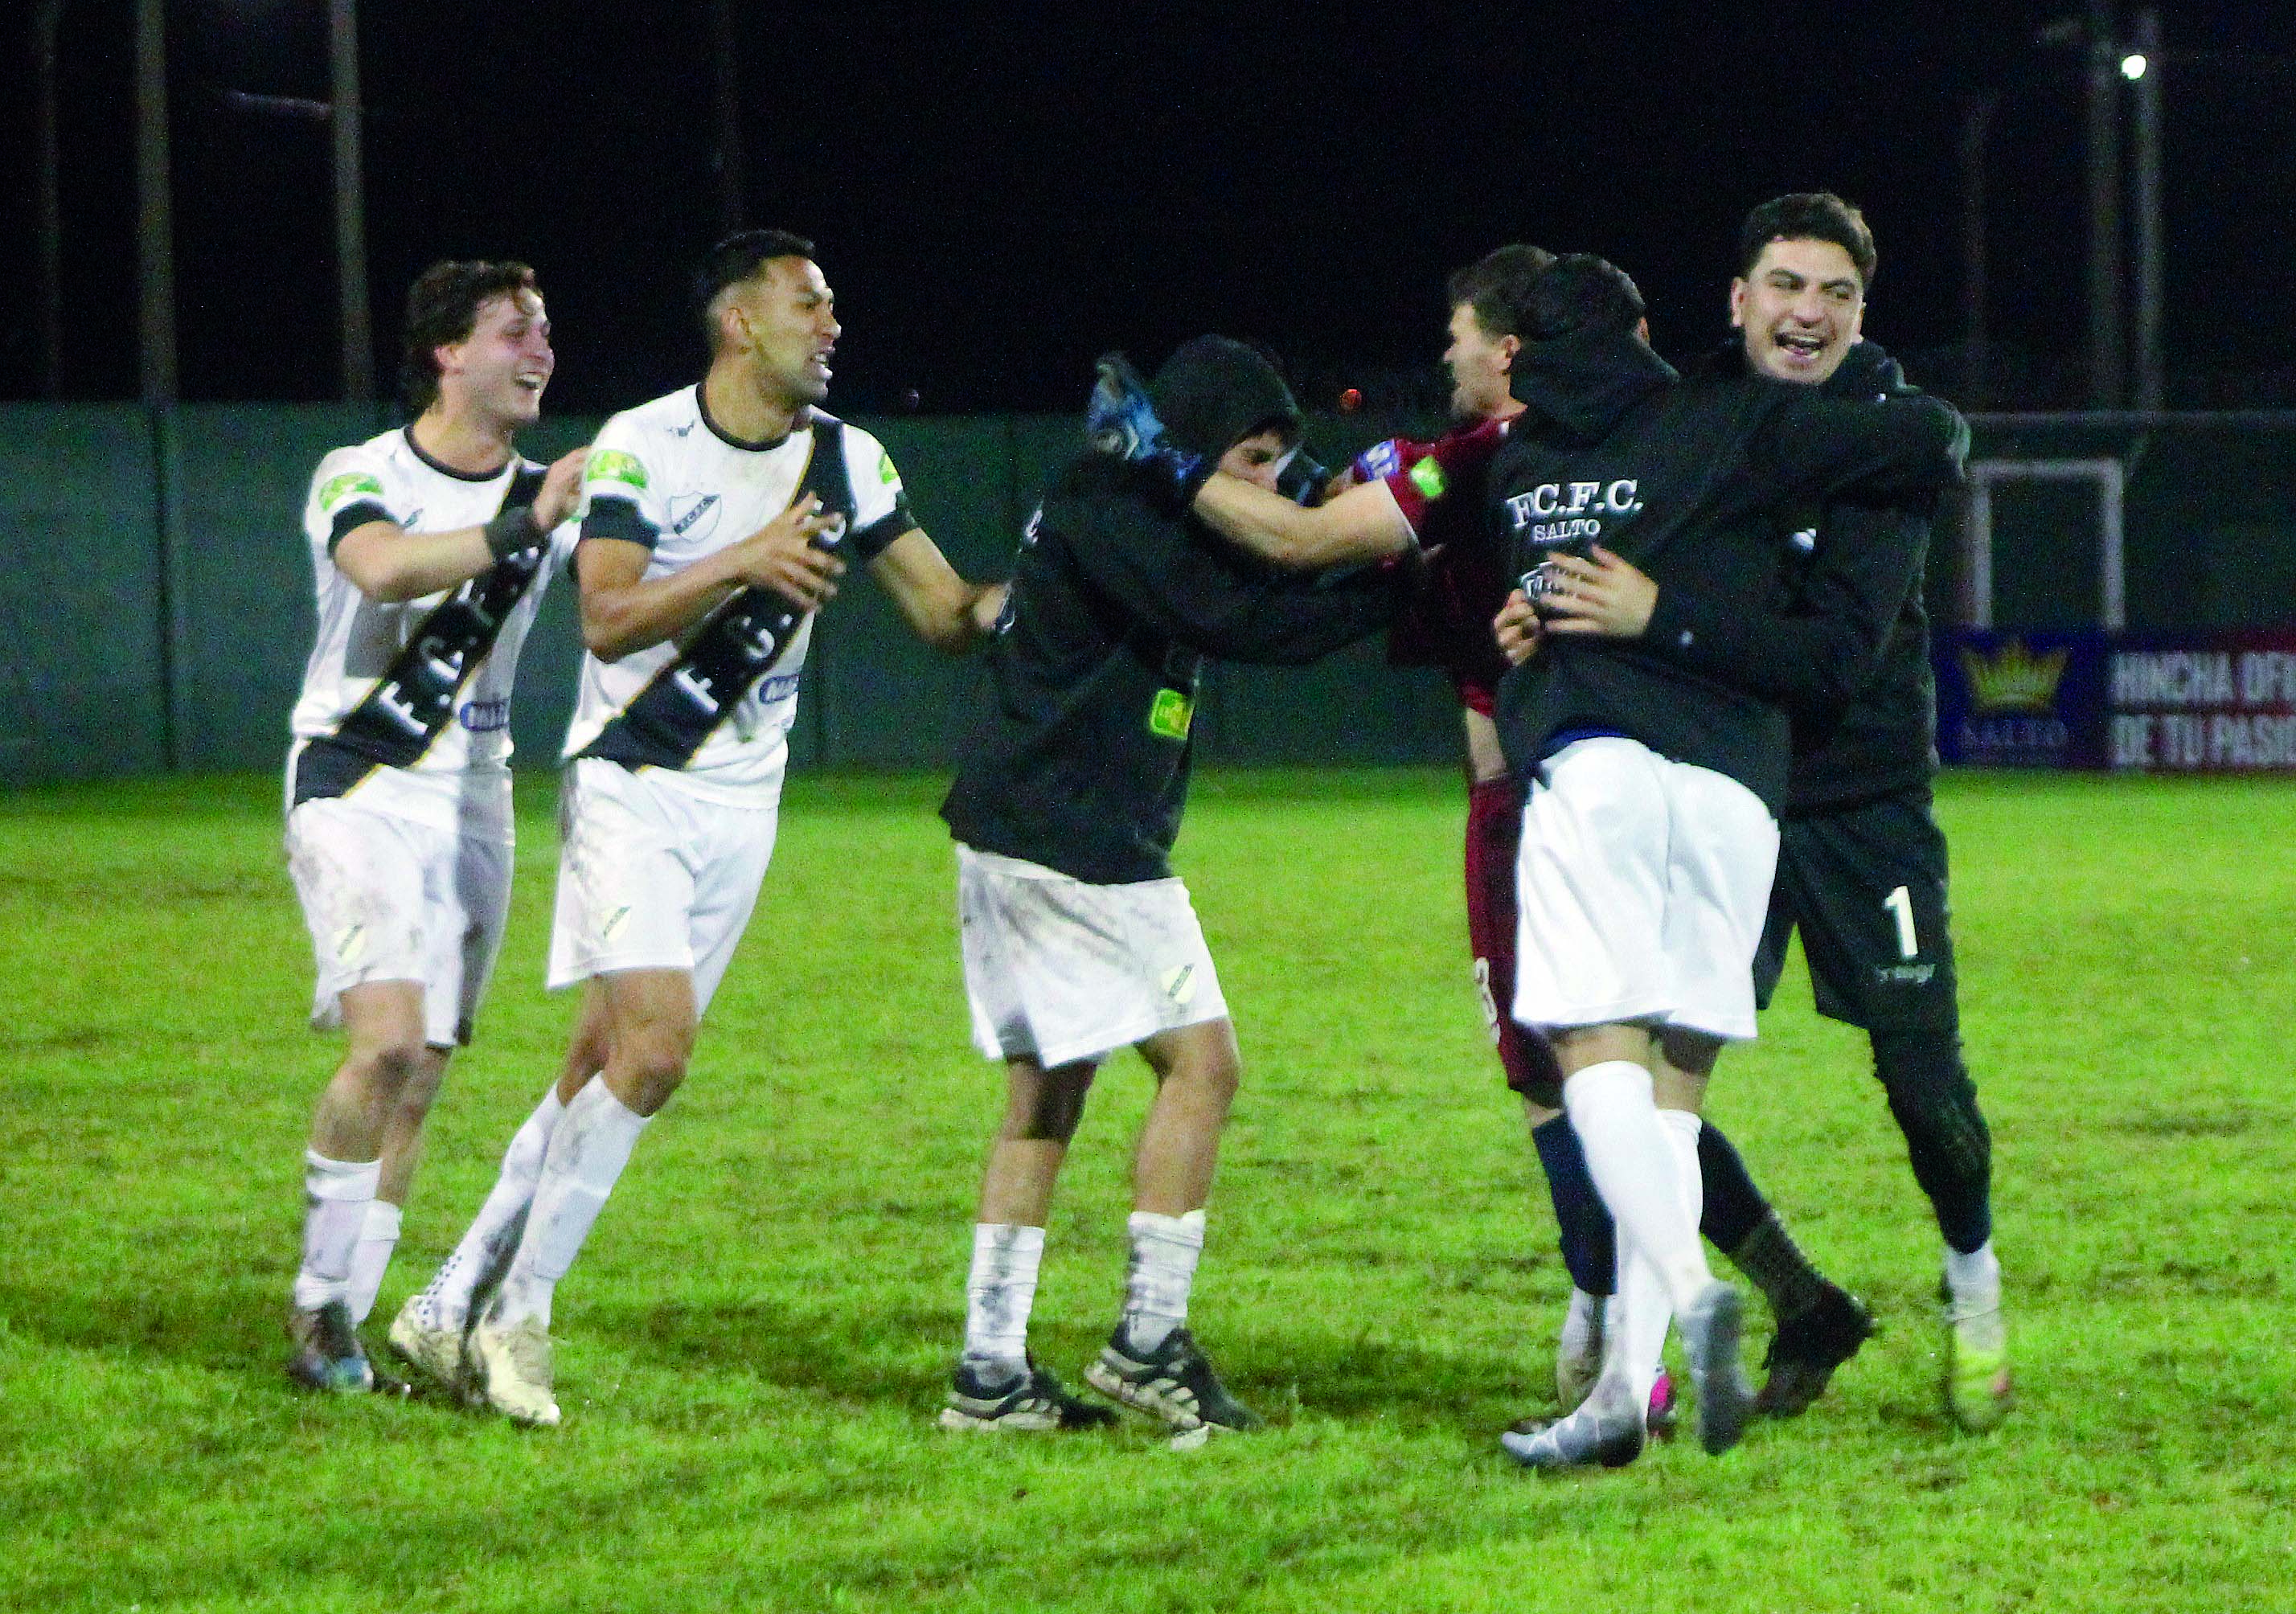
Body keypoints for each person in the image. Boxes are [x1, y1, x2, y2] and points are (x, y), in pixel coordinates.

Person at [1108, 247, 1869, 1424]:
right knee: (1647, 1088)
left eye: (1462, 334)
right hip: (1693, 788)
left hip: (1550, 797)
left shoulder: (1492, 457)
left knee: (1570, 1081)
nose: (1449, 355)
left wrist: (1155, 455)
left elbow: (1303, 546)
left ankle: (1632, 1344)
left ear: (1511, 350)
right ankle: (1761, 1303)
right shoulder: (1632, 447)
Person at [388, 229, 1006, 1426]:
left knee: (596, 1065)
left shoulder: (849, 458)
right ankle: (521, 1316)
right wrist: (747, 559)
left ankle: (444, 1300)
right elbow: (609, 617)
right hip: (634, 780)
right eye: (809, 304)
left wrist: (1042, 590)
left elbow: (945, 614)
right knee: (657, 1054)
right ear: (739, 322)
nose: (832, 325)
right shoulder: (644, 442)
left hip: (745, 804)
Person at [1507, 195, 2008, 1432]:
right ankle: (1695, 1328)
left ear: (1861, 313)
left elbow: (1837, 659)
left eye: (1838, 293)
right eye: (1788, 284)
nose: (1810, 312)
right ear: (1737, 301)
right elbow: (1589, 533)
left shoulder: (1879, 441)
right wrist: (1543, 610)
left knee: (1919, 1075)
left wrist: (1655, 617)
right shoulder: (1688, 419)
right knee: (1664, 1079)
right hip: (1722, 787)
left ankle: (1975, 1293)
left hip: (1856, 801)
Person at [937, 337, 1401, 1443]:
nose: (1264, 486)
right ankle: (1148, 1341)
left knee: (1046, 1095)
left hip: (1021, 826)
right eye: (1250, 457)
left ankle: (989, 1370)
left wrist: (1336, 527)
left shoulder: (1122, 490)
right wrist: (1401, 588)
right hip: (1073, 837)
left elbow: (1239, 575)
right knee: (1204, 1065)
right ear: (1191, 443)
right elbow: (1247, 620)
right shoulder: (1117, 501)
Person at [282, 260, 586, 1392]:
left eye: (547, 330)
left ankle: (353, 1316)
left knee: (428, 1069)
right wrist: (526, 522)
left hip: (476, 793)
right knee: (388, 1043)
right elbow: (382, 568)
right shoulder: (359, 472)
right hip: (359, 777)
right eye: (517, 330)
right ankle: (316, 1310)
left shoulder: (552, 502)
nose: (541, 349)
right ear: (448, 352)